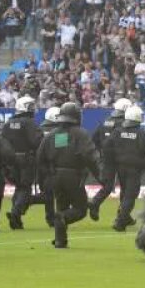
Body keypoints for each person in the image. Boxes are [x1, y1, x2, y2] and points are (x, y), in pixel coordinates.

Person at [35, 102, 100, 248]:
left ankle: (60, 240)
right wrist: (100, 175)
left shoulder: (52, 135)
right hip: (74, 175)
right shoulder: (80, 133)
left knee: (62, 205)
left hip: (55, 176)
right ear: (77, 116)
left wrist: (44, 180)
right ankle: (63, 218)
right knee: (80, 209)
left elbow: (40, 158)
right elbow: (90, 156)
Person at [103, 105, 145, 232]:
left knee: (125, 193)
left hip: (120, 168)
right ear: (136, 117)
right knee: (130, 195)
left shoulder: (117, 132)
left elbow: (106, 146)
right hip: (134, 170)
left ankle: (123, 219)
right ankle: (120, 221)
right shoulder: (141, 134)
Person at [2, 95, 43, 230]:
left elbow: (3, 142)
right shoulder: (29, 122)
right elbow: (37, 141)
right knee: (25, 187)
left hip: (10, 159)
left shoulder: (8, 123)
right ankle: (15, 212)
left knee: (19, 187)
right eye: (30, 106)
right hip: (26, 158)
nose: (32, 108)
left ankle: (17, 218)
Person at [87, 97, 130, 221]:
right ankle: (123, 213)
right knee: (125, 186)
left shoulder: (106, 121)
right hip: (121, 158)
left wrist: (101, 152)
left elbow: (94, 140)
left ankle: (95, 203)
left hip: (106, 158)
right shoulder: (124, 123)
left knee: (108, 185)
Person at [37, 105, 62, 226]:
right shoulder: (60, 130)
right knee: (56, 193)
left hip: (41, 165)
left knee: (47, 193)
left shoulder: (39, 128)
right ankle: (55, 217)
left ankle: (50, 217)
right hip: (54, 165)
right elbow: (61, 148)